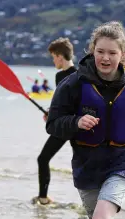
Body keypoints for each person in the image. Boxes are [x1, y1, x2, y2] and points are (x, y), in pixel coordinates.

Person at [46, 21, 125, 219]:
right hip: (87, 166)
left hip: (121, 161)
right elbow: (53, 124)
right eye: (100, 52)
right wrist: (76, 121)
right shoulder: (73, 84)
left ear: (122, 55)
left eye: (112, 53)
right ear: (91, 51)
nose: (105, 58)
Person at [32, 37, 77, 205]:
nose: (53, 61)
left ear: (59, 56)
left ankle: (43, 198)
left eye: (53, 57)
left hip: (72, 126)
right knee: (44, 159)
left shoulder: (78, 75)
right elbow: (62, 103)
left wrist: (56, 115)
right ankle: (43, 198)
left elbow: (76, 104)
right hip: (67, 125)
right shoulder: (61, 76)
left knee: (43, 159)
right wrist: (52, 113)